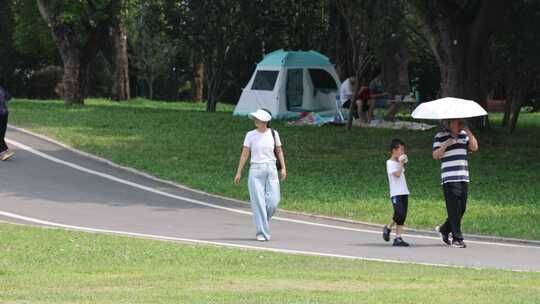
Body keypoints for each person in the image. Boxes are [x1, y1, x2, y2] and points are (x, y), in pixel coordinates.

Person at [235, 109, 287, 241]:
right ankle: (262, 233)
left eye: (258, 119)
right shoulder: (250, 135)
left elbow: (279, 150)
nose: (256, 121)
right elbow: (245, 154)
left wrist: (283, 168)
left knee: (273, 202)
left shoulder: (274, 134)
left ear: (265, 121)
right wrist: (239, 171)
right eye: (255, 119)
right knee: (258, 203)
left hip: (271, 169)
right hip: (255, 171)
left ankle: (262, 221)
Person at [432, 119, 479, 248]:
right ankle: (457, 239)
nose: (460, 124)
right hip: (449, 177)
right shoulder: (440, 136)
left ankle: (444, 229)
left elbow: (474, 147)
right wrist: (446, 144)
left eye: (461, 122)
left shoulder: (464, 134)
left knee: (461, 208)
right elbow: (436, 155)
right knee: (453, 208)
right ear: (450, 123)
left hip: (463, 176)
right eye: (457, 122)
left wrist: (468, 131)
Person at [383, 138, 410, 246]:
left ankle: (398, 238)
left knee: (403, 216)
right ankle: (388, 227)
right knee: (398, 213)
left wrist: (403, 163)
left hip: (404, 191)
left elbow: (402, 171)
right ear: (394, 150)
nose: (403, 152)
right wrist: (401, 163)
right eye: (401, 150)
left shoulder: (399, 162)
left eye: (403, 150)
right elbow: (397, 174)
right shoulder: (389, 163)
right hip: (396, 193)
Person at [0, 85, 14, 161]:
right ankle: (4, 152)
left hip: (3, 113)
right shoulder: (1, 89)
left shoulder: (1, 89)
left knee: (1, 134)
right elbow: (8, 98)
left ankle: (5, 151)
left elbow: (8, 98)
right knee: (1, 133)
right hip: (4, 113)